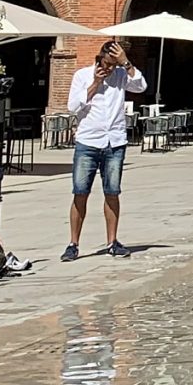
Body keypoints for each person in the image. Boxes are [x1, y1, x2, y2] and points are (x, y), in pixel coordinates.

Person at [65, 39, 146, 260]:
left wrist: (126, 63)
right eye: (106, 63)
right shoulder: (82, 76)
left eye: (113, 65)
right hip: (88, 142)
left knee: (112, 192)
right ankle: (73, 244)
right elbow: (72, 106)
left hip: (115, 142)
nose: (109, 69)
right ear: (99, 58)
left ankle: (112, 241)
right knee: (80, 192)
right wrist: (94, 84)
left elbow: (141, 86)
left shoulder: (121, 75)